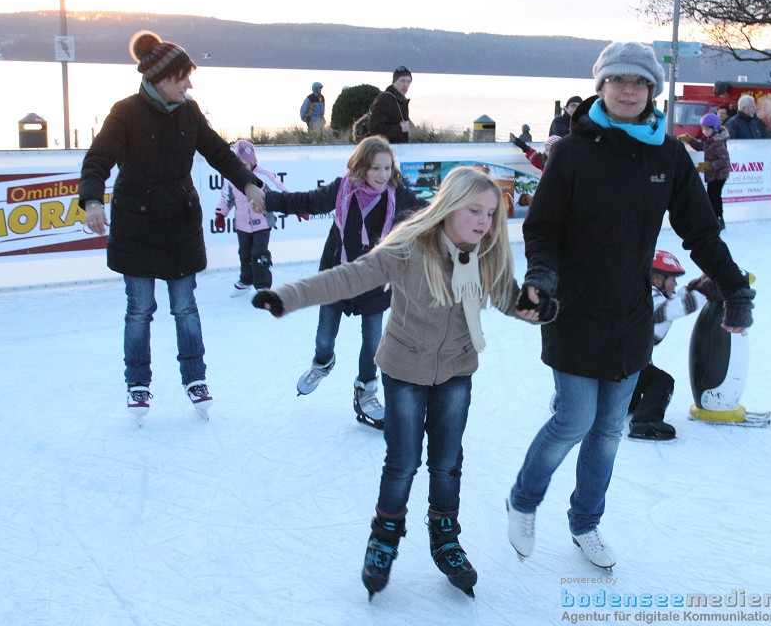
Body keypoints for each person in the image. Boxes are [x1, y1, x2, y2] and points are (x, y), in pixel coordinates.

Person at [505, 42, 754, 571]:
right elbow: (542, 228)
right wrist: (542, 277)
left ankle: (585, 523)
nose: (627, 90)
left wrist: (734, 286)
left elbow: (701, 232)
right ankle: (523, 501)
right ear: (602, 88)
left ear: (650, 92)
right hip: (572, 310)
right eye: (617, 81)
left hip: (630, 316)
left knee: (609, 428)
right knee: (573, 419)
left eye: (637, 83)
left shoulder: (666, 154)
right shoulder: (572, 152)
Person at [252, 166, 547, 599]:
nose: (484, 221)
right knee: (403, 462)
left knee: (447, 462)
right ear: (448, 207)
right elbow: (347, 276)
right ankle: (385, 536)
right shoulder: (410, 248)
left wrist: (534, 308)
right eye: (474, 210)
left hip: (456, 371)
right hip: (404, 371)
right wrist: (287, 297)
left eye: (490, 213)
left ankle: (445, 538)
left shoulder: (486, 255)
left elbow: (506, 298)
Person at [79, 30, 265, 422]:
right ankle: (138, 382)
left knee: (185, 307)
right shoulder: (125, 112)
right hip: (137, 226)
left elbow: (217, 151)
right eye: (183, 77)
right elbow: (98, 159)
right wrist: (93, 198)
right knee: (140, 309)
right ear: (161, 78)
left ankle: (195, 377)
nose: (189, 84)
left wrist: (248, 182)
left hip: (180, 223)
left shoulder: (189, 112)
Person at [263, 136, 427, 428]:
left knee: (374, 340)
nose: (382, 175)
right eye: (375, 168)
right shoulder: (343, 189)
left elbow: (427, 211)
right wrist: (269, 200)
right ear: (361, 167)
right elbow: (308, 201)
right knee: (325, 335)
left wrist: (461, 211)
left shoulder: (397, 195)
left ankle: (366, 389)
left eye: (387, 168)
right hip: (337, 276)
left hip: (376, 280)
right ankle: (323, 362)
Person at [626, 252, 707, 441]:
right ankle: (644, 423)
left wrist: (693, 287)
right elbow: (674, 308)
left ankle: (623, 403)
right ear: (657, 279)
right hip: (620, 364)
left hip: (624, 361)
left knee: (643, 373)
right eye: (673, 280)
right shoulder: (647, 298)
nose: (676, 284)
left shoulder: (639, 292)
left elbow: (673, 300)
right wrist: (705, 291)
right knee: (661, 382)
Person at [215, 139, 291, 296]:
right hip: (242, 224)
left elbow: (279, 189)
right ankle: (246, 280)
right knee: (244, 252)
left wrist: (295, 207)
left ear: (252, 162)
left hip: (263, 222)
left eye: (245, 164)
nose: (242, 168)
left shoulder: (262, 176)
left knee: (259, 252)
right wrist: (221, 214)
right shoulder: (231, 178)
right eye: (238, 164)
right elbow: (226, 198)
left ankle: (263, 285)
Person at [686, 112, 731, 230]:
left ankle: (719, 219)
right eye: (703, 129)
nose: (704, 131)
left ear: (715, 128)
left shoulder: (719, 143)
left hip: (720, 175)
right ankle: (714, 218)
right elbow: (701, 147)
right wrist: (690, 140)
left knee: (714, 195)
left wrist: (708, 165)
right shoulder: (708, 140)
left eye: (707, 129)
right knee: (711, 196)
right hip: (713, 174)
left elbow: (724, 161)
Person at [369, 66, 412, 144]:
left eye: (408, 81)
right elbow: (375, 130)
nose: (406, 84)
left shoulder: (401, 100)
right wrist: (400, 128)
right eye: (402, 80)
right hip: (383, 150)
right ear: (394, 82)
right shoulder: (384, 100)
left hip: (397, 149)